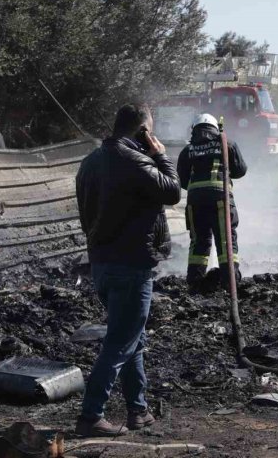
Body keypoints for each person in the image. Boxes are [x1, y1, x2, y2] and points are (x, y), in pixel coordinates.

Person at [74, 104, 181, 437]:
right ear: (143, 131)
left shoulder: (89, 163)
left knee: (132, 337)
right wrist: (161, 156)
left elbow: (84, 214)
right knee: (121, 341)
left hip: (102, 264)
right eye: (150, 130)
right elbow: (173, 191)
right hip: (131, 265)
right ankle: (91, 415)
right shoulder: (136, 161)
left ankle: (138, 411)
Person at [176, 113, 248, 286]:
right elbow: (241, 170)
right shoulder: (227, 143)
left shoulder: (187, 150)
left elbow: (181, 180)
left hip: (195, 201)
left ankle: (195, 280)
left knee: (199, 240)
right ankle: (229, 280)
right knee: (225, 238)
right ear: (216, 128)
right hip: (220, 198)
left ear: (194, 130)